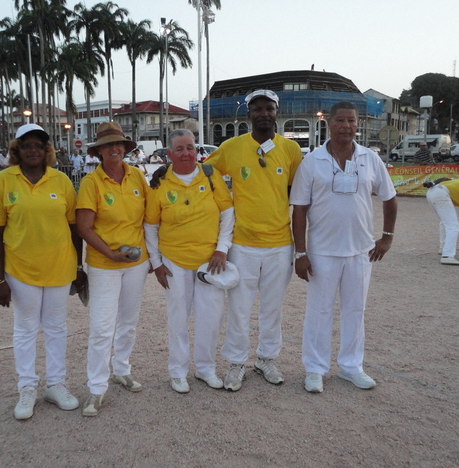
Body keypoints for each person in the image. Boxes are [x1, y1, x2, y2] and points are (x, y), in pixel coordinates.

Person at [290, 101, 398, 394]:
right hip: (322, 252)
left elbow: (389, 197)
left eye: (351, 121)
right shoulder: (312, 161)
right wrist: (300, 253)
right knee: (319, 312)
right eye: (340, 120)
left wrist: (387, 236)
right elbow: (299, 210)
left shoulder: (370, 159)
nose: (346, 126)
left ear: (357, 124)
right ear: (329, 123)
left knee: (355, 310)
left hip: (360, 251)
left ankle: (352, 367)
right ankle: (315, 369)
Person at [0, 123, 84, 420]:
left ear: (46, 151)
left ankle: (56, 384)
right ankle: (27, 387)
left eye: (38, 146)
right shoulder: (3, 181)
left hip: (59, 267)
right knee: (26, 328)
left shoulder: (61, 181)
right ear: (17, 149)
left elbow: (74, 229)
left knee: (56, 328)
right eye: (26, 145)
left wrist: (78, 267)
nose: (33, 150)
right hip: (20, 269)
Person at [205, 89, 303, 391]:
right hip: (243, 244)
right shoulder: (231, 147)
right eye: (257, 109)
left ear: (277, 113)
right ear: (248, 114)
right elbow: (204, 170)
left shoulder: (290, 150)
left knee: (272, 308)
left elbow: (297, 192)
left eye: (269, 108)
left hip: (279, 244)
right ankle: (236, 363)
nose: (264, 113)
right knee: (239, 308)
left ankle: (266, 359)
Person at [145, 129, 235, 394]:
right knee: (178, 318)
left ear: (197, 151)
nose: (186, 153)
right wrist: (157, 263)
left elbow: (227, 213)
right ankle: (178, 372)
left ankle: (206, 369)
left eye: (190, 147)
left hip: (210, 262)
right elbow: (150, 227)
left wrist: (222, 248)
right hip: (174, 261)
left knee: (210, 317)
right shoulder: (159, 183)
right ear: (169, 154)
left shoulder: (210, 176)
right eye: (180, 149)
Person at [76, 121, 150, 417]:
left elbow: (151, 216)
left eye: (118, 144)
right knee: (102, 327)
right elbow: (84, 227)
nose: (114, 149)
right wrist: (110, 253)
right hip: (104, 264)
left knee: (129, 321)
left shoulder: (138, 177)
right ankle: (96, 388)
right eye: (108, 145)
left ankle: (121, 369)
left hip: (136, 262)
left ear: (125, 147)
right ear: (99, 151)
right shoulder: (91, 182)